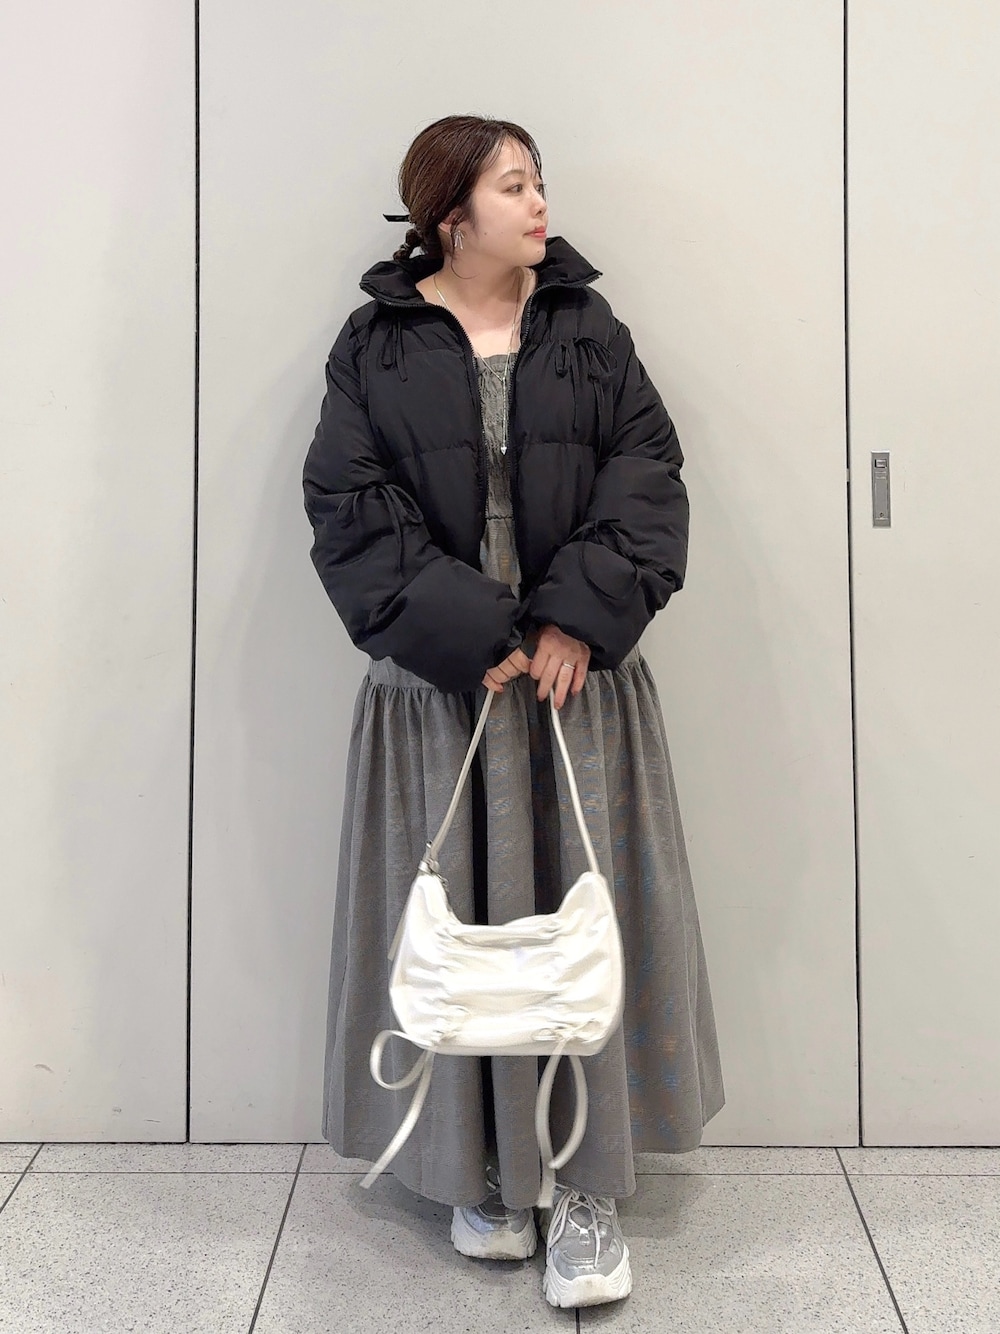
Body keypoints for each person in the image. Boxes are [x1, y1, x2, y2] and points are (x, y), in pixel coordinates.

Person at [302, 114, 725, 1310]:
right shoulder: (375, 342)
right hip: (445, 684)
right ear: (450, 213)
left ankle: (585, 1188)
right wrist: (467, 629)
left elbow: (646, 474)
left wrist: (570, 619)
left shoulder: (588, 328)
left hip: (570, 675)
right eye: (514, 185)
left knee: (580, 925)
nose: (540, 204)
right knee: (461, 932)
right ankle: (478, 1173)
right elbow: (346, 501)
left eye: (539, 182)